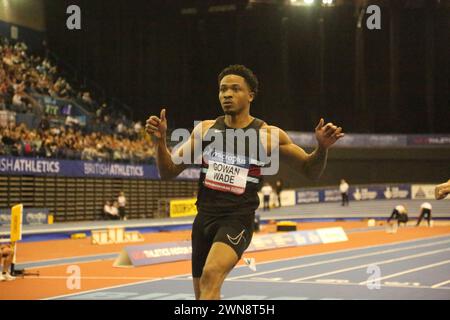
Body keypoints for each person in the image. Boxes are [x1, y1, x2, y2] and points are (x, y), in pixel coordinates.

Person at [145, 64, 344, 300]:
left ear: (250, 95)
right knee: (203, 294)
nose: (227, 94)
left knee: (210, 276)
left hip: (236, 220)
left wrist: (321, 148)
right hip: (203, 221)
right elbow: (168, 171)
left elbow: (310, 171)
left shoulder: (268, 135)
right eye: (222, 89)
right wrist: (159, 142)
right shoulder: (205, 130)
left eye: (235, 89)